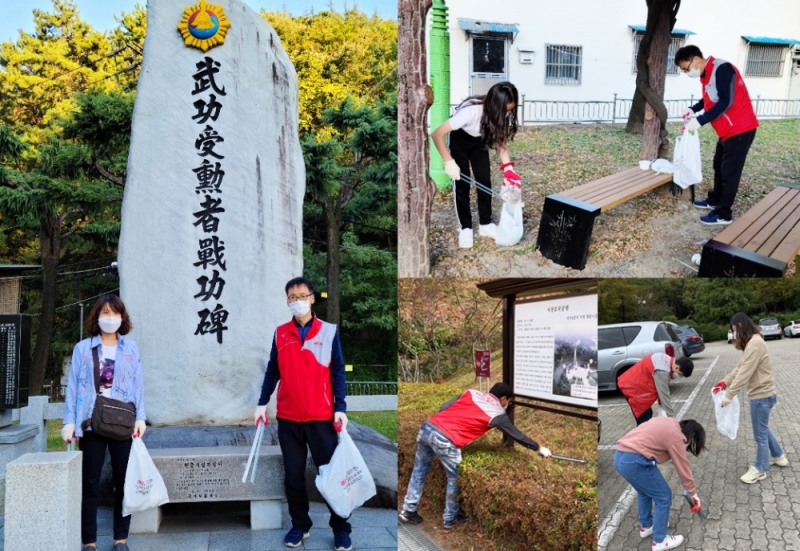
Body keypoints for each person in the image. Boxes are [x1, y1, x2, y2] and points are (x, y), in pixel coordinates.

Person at [254, 277, 351, 550]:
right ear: (287, 301)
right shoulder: (280, 333)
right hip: (289, 418)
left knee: (330, 475)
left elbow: (338, 371)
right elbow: (273, 370)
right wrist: (262, 402)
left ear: (312, 298)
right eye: (292, 297)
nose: (297, 301)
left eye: (302, 296)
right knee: (293, 476)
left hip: (321, 417)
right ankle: (300, 525)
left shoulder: (328, 332)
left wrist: (340, 407)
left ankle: (341, 527)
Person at [398, 383, 551, 529]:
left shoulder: (471, 393)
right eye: (508, 402)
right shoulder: (497, 413)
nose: (507, 405)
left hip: (428, 428)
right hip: (446, 439)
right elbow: (517, 435)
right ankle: (450, 517)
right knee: (455, 477)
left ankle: (408, 510)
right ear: (504, 398)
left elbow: (444, 407)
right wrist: (539, 448)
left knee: (419, 470)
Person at [62, 295, 146, 551]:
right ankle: (89, 541)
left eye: (115, 313)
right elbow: (72, 387)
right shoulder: (83, 348)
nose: (110, 318)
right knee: (90, 483)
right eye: (105, 313)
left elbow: (138, 385)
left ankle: (121, 539)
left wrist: (140, 417)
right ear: (96, 317)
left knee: (122, 481)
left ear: (122, 317)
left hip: (122, 422)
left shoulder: (130, 349)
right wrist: (69, 422)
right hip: (91, 422)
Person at [674, 45, 759, 226]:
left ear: (696, 59)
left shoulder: (722, 69)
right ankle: (714, 201)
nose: (687, 73)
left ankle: (723, 213)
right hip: (727, 131)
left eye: (686, 69)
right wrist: (693, 109)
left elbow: (726, 101)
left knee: (729, 172)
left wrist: (700, 120)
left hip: (740, 129)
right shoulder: (706, 75)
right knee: (718, 166)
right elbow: (709, 99)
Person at [430, 81, 521, 248]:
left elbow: (500, 141)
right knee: (461, 183)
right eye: (505, 111)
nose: (507, 115)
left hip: (479, 141)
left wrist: (508, 167)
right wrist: (449, 162)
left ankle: (485, 224)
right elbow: (437, 134)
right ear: (495, 105)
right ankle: (465, 227)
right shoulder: (470, 112)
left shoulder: (498, 115)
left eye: (510, 111)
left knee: (484, 181)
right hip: (460, 139)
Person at [714, 312, 789, 484]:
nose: (734, 334)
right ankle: (778, 456)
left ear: (740, 326)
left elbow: (745, 373)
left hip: (761, 396)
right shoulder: (753, 342)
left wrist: (729, 395)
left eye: (734, 330)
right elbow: (740, 367)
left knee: (759, 435)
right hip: (764, 395)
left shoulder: (754, 344)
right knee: (763, 429)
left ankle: (760, 469)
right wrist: (725, 382)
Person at [615, 417, 706, 551]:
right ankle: (659, 541)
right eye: (692, 441)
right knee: (664, 497)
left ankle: (647, 526)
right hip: (635, 461)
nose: (688, 444)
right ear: (692, 435)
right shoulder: (676, 436)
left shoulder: (669, 422)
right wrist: (693, 494)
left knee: (644, 492)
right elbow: (682, 466)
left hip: (620, 457)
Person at [618, 353, 694, 425]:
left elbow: (661, 388)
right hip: (633, 389)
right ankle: (640, 434)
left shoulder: (667, 360)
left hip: (633, 383)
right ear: (677, 368)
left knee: (648, 416)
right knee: (644, 422)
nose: (678, 376)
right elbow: (664, 395)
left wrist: (661, 405)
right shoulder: (662, 371)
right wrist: (672, 419)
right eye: (680, 375)